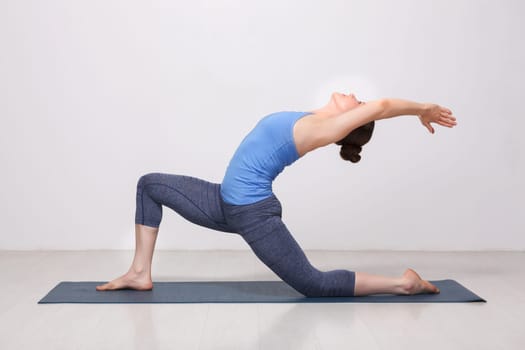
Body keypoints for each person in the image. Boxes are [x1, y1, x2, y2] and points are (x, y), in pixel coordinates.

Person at [96, 92, 457, 296]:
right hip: (224, 202)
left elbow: (380, 107)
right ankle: (139, 272)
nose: (354, 95)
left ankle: (403, 284)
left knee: (313, 283)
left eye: (359, 102)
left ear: (354, 119)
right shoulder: (313, 117)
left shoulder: (327, 129)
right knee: (149, 185)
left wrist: (422, 109)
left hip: (252, 213)